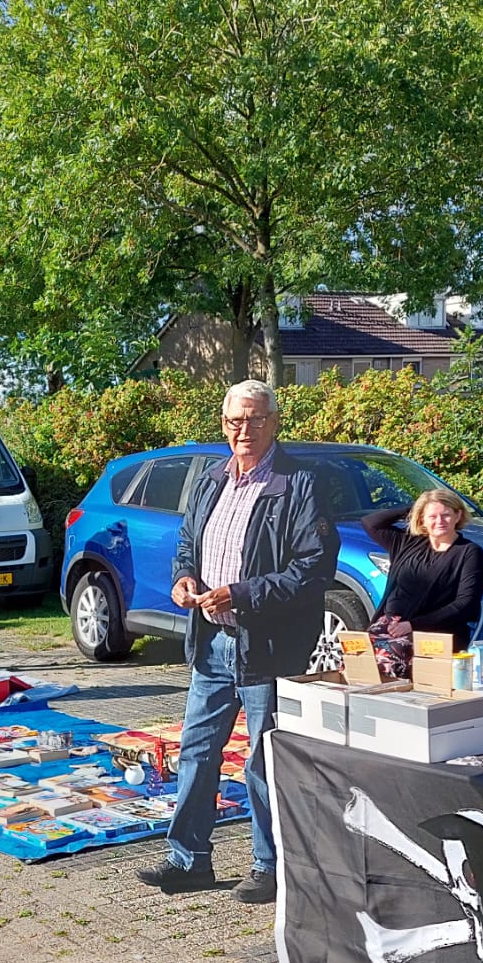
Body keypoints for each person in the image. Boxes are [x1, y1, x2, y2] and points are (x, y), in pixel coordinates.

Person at [138, 381, 336, 902]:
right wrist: (184, 578)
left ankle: (269, 867)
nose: (243, 430)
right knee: (197, 752)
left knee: (263, 760)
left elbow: (313, 568)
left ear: (274, 422)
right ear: (223, 424)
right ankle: (189, 860)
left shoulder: (299, 484)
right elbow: (188, 544)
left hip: (268, 647)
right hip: (211, 643)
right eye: (234, 420)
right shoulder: (211, 480)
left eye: (254, 419)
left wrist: (242, 594)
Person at [363, 488, 483, 667]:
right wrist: (416, 508)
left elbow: (465, 605)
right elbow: (371, 523)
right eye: (432, 516)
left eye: (446, 515)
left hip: (437, 632)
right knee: (357, 652)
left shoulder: (469, 553)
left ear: (458, 515)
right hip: (391, 625)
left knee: (387, 656)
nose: (439, 521)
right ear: (422, 518)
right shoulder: (407, 542)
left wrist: (412, 625)